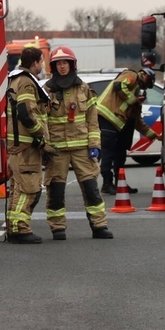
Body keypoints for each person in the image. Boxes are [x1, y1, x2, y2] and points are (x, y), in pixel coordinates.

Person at [42, 46, 113, 240]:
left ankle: (99, 226)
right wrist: (45, 147)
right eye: (58, 63)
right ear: (53, 67)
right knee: (55, 190)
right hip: (57, 150)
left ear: (72, 65)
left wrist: (94, 145)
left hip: (82, 149)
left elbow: (92, 120)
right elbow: (42, 121)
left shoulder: (84, 89)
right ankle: (57, 228)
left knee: (91, 189)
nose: (62, 67)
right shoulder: (47, 91)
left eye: (65, 63)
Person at [4, 46, 52, 244]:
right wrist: (40, 136)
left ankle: (14, 227)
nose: (42, 65)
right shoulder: (26, 82)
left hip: (18, 146)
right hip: (26, 147)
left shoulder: (15, 79)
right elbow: (26, 113)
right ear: (35, 63)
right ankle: (20, 229)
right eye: (41, 61)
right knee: (28, 189)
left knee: (18, 189)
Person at [96, 65, 161, 196]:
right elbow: (119, 85)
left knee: (120, 152)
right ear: (144, 75)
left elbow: (138, 123)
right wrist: (134, 99)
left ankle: (120, 183)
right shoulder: (132, 75)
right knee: (108, 151)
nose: (143, 89)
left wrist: (154, 136)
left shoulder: (136, 103)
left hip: (116, 124)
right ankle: (107, 184)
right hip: (105, 117)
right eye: (146, 82)